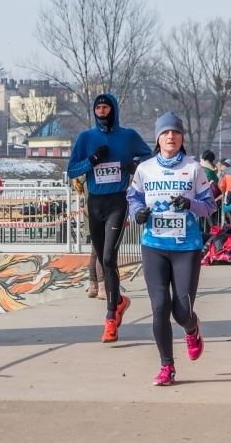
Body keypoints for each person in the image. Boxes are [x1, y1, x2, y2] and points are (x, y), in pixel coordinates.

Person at [126, 111, 216, 386]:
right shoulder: (145, 169)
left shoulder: (193, 168)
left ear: (182, 138)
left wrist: (190, 204)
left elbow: (210, 206)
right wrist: (138, 213)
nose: (170, 137)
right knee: (159, 308)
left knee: (181, 312)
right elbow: (133, 199)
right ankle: (167, 366)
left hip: (186, 247)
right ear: (158, 138)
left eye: (175, 132)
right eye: (165, 132)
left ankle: (192, 327)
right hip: (153, 245)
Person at [67, 93, 152, 343]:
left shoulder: (128, 136)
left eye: (106, 107)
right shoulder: (86, 138)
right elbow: (71, 169)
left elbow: (149, 157)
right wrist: (91, 161)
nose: (102, 111)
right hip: (94, 203)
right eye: (98, 108)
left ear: (113, 109)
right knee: (102, 257)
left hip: (117, 202)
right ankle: (120, 301)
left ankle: (110, 317)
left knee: (107, 258)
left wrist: (135, 165)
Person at [72, 175, 106, 300]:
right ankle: (102, 287)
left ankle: (93, 286)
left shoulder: (82, 179)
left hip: (90, 214)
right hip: (97, 213)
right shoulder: (90, 179)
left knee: (95, 252)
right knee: (100, 252)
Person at [199, 149, 220, 230]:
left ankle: (204, 231)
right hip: (208, 195)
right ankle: (212, 232)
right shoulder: (208, 170)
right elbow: (216, 180)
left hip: (200, 195)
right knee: (210, 216)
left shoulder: (200, 167)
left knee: (202, 217)